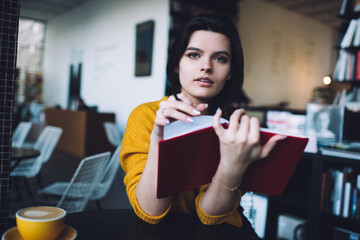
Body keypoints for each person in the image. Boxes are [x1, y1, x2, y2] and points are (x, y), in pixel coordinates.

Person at [119, 13, 285, 237]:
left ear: (231, 72)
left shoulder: (235, 129)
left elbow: (211, 216)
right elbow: (150, 211)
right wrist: (160, 138)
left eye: (220, 58)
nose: (206, 67)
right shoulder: (145, 116)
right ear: (177, 64)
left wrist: (231, 165)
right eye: (194, 55)